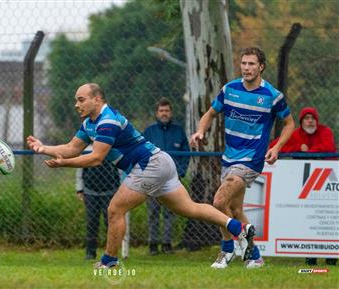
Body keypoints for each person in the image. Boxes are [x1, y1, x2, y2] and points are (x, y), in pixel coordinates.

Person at [27, 82, 257, 269]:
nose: (76, 104)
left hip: (149, 165)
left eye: (81, 99)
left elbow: (96, 158)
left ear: (97, 99)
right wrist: (43, 148)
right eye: (76, 100)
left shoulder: (107, 122)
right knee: (190, 208)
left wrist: (63, 164)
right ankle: (238, 228)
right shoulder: (90, 123)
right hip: (159, 162)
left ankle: (109, 261)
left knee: (115, 209)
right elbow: (72, 147)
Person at [190, 47, 295, 269]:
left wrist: (276, 148)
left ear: (261, 67)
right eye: (244, 63)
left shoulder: (272, 96)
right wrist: (200, 131)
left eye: (251, 64)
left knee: (218, 201)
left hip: (251, 160)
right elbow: (209, 115)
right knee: (234, 210)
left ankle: (227, 250)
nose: (246, 68)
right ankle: (255, 256)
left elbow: (289, 124)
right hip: (229, 158)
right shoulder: (230, 89)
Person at [270, 106, 337, 266]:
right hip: (302, 184)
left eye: (312, 118)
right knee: (307, 219)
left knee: (326, 219)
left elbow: (328, 148)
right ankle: (310, 255)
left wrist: (309, 151)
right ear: (301, 121)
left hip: (326, 182)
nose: (310, 121)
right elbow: (276, 146)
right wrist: (298, 149)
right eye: (306, 118)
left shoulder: (325, 131)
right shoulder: (295, 134)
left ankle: (331, 254)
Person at [143, 98, 189, 255]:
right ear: (157, 113)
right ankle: (153, 244)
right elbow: (141, 152)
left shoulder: (178, 131)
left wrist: (181, 172)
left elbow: (185, 154)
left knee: (170, 212)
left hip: (173, 181)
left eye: (167, 111)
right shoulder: (149, 132)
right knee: (153, 213)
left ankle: (167, 244)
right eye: (161, 111)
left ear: (171, 113)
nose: (164, 113)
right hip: (152, 180)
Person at [76, 145, 120, 260]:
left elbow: (120, 170)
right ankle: (90, 252)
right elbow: (80, 171)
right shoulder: (86, 150)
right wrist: (79, 189)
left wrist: (120, 189)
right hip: (90, 192)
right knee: (92, 223)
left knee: (110, 223)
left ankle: (110, 252)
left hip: (110, 192)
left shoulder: (112, 150)